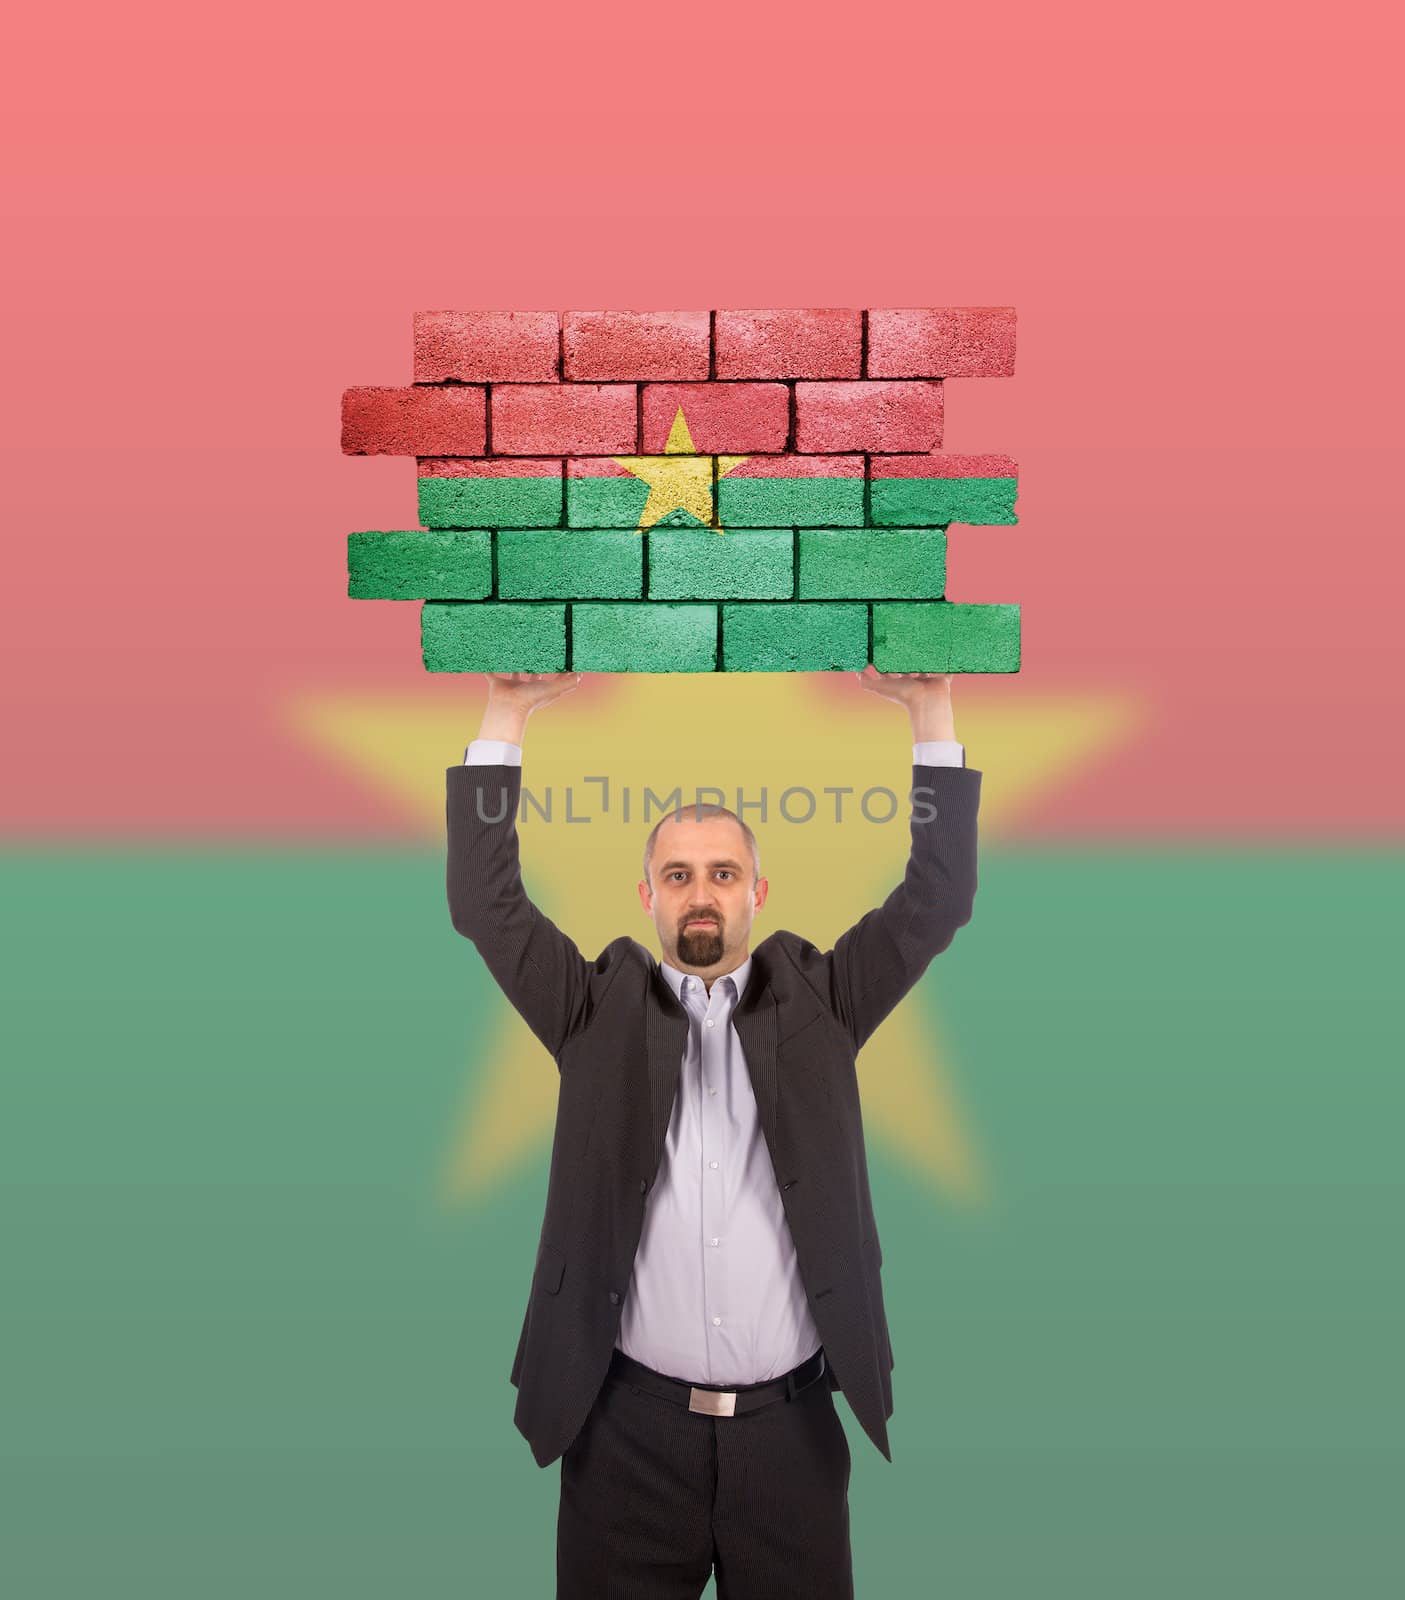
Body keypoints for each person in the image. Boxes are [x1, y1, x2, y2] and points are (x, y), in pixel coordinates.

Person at [446, 665, 982, 1598]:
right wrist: (508, 709)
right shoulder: (590, 1009)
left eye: (723, 875)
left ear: (757, 893)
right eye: (679, 876)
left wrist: (928, 708)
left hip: (793, 1439)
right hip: (622, 1436)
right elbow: (485, 906)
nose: (702, 894)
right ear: (646, 896)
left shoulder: (825, 997)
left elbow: (934, 901)